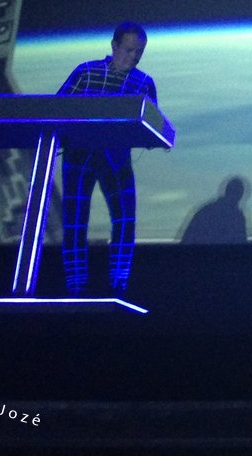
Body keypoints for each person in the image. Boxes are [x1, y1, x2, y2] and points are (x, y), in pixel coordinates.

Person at [57, 21, 158, 297]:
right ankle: (75, 288)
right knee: (74, 223)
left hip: (117, 159)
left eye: (139, 52)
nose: (133, 57)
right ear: (114, 46)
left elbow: (153, 126)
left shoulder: (144, 83)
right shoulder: (86, 72)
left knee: (125, 220)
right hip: (79, 157)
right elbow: (55, 110)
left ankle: (119, 285)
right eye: (128, 50)